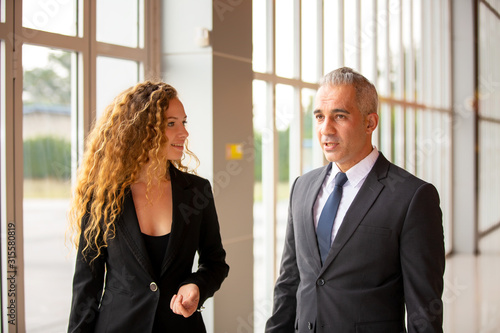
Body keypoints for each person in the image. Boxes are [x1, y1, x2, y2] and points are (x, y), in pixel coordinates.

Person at [265, 67, 445, 333]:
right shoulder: (302, 187)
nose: (326, 129)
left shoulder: (413, 197)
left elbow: (423, 311)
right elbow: (290, 281)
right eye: (319, 116)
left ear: (370, 123)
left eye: (339, 116)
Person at [67, 81, 229, 332]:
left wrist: (196, 285)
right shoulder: (103, 196)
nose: (184, 133)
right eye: (171, 123)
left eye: (183, 122)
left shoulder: (197, 191)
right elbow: (87, 286)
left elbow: (215, 262)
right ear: (143, 131)